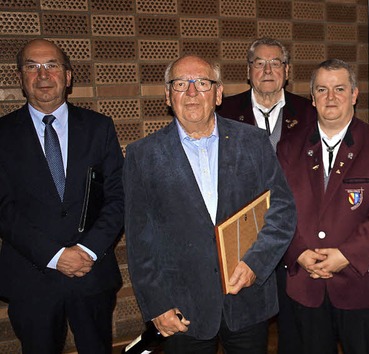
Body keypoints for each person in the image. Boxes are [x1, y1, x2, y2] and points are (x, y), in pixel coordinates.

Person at [123, 54, 296, 354]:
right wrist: (157, 305)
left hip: (247, 301)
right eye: (181, 84)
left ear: (218, 94)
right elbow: (140, 242)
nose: (191, 92)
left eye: (202, 83)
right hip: (182, 310)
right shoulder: (143, 155)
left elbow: (282, 210)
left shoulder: (254, 142)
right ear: (167, 95)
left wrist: (256, 263)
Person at [0, 39, 124, 353]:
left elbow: (118, 197)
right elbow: (4, 210)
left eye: (52, 65)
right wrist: (56, 256)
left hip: (91, 272)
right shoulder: (2, 134)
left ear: (68, 76)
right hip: (32, 277)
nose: (43, 75)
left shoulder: (99, 127)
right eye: (32, 66)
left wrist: (87, 249)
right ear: (20, 77)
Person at [277, 59, 369, 354]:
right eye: (322, 89)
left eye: (340, 89)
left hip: (362, 284)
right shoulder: (288, 147)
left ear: (355, 94)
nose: (331, 97)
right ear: (312, 97)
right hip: (305, 283)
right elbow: (276, 208)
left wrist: (347, 255)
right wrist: (299, 253)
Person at [216, 37, 315, 354]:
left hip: (296, 236)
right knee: (248, 332)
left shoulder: (310, 112)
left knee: (295, 331)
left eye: (275, 63)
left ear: (287, 71)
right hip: (243, 240)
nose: (267, 69)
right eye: (260, 62)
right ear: (249, 71)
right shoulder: (225, 113)